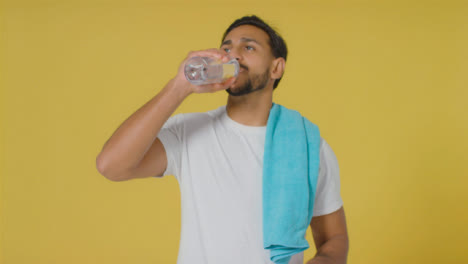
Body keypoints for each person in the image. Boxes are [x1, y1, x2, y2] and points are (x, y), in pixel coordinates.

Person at [96, 15, 349, 264]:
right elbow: (111, 165)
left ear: (276, 67)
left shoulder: (307, 146)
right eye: (226, 48)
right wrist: (180, 86)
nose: (233, 55)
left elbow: (334, 239)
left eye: (248, 47)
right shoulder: (188, 131)